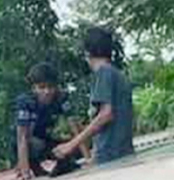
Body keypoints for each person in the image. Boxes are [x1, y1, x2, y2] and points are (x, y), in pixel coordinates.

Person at [53, 27, 135, 167]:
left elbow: (106, 115)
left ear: (87, 52)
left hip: (110, 154)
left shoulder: (104, 74)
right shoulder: (117, 74)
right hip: (122, 150)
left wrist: (71, 145)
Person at [11, 63, 80, 180]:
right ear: (34, 88)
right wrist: (25, 172)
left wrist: (88, 158)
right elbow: (21, 137)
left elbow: (74, 126)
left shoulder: (60, 97)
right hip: (27, 143)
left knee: (72, 147)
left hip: (46, 139)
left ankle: (61, 165)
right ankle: (32, 167)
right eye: (42, 87)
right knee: (34, 143)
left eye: (50, 87)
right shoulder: (26, 102)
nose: (47, 92)